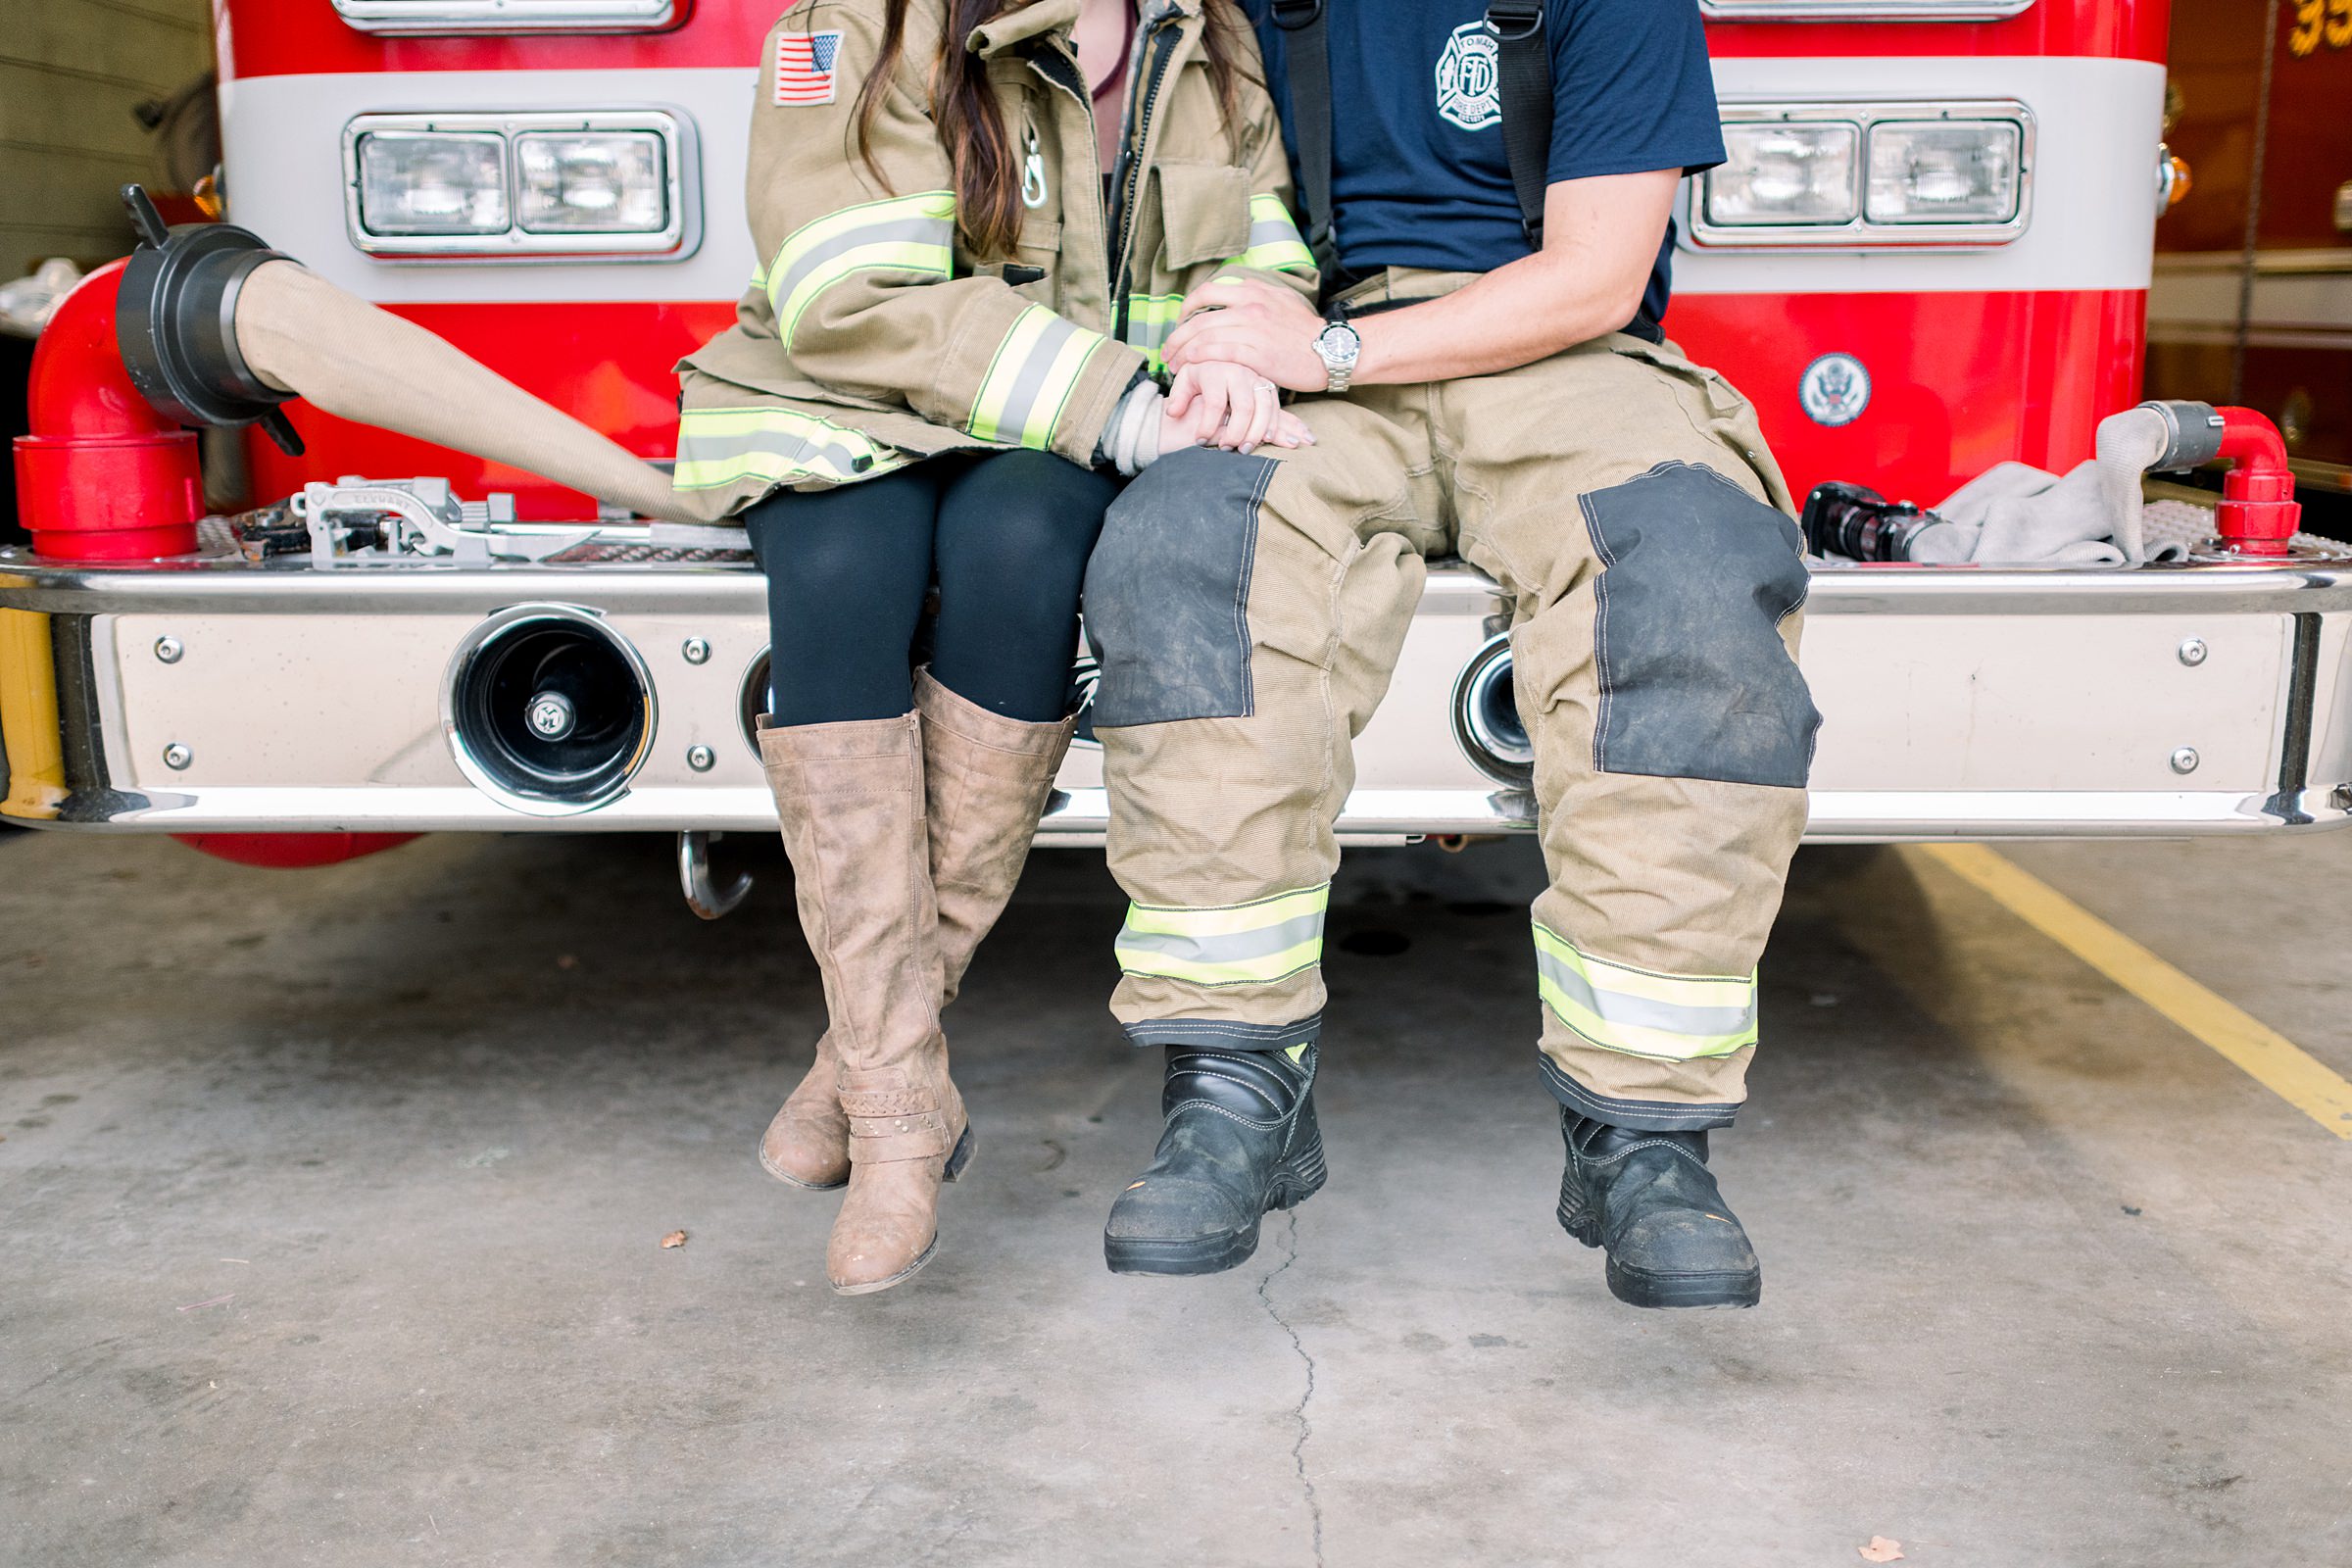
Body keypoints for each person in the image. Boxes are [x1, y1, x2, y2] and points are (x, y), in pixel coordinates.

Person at [1082, 0, 1818, 1308]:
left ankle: (1642, 1137)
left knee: (1692, 580)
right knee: (1188, 549)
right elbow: (1198, 209)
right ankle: (1234, 1090)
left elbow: (1594, 275)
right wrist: (1237, 325)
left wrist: (1326, 349)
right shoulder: (1243, 6)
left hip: (1565, 358)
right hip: (1325, 368)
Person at [671, 0, 1319, 1295]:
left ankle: (863, 1071)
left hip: (1053, 431)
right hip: (849, 405)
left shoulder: (1215, 36)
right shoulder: (858, 19)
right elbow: (841, 292)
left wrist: (1234, 341)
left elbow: (1268, 248)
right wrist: (1119, 407)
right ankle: (904, 1113)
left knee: (1022, 556)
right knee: (850, 565)